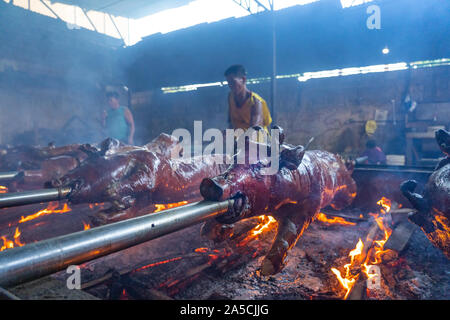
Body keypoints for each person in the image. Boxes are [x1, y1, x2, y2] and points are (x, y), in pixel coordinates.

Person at [224, 65, 272, 138]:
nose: (230, 85)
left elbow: (253, 129)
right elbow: (231, 122)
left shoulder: (255, 102)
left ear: (243, 79)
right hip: (240, 140)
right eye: (228, 82)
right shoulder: (230, 97)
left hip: (258, 142)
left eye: (233, 82)